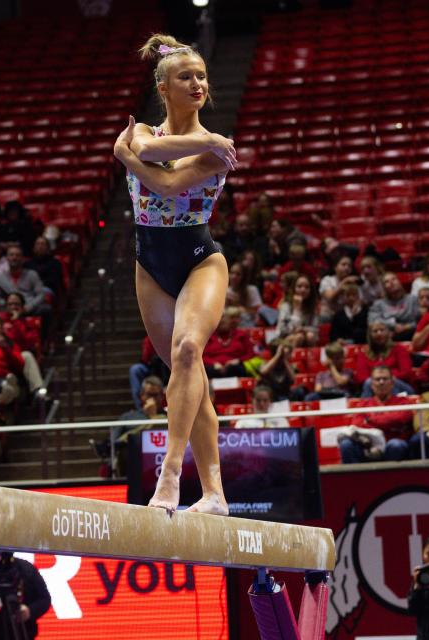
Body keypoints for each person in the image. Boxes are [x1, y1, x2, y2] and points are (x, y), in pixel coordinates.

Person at [112, 34, 236, 514]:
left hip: (199, 259)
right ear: (163, 87)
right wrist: (141, 148)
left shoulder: (216, 151)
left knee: (188, 350)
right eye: (186, 76)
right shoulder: (145, 130)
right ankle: (215, 494)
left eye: (202, 75)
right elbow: (148, 147)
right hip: (151, 266)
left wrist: (126, 157)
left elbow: (163, 184)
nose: (197, 82)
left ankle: (169, 477)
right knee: (188, 373)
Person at [337, 365, 416, 463]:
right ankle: (354, 478)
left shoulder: (404, 402)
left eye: (385, 379)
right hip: (368, 445)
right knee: (346, 444)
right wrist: (388, 424)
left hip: (392, 444)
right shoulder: (363, 404)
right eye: (377, 379)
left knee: (396, 445)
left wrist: (370, 420)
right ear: (371, 384)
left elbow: (401, 418)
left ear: (392, 383)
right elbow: (357, 425)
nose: (381, 382)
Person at [354, 322, 415, 396]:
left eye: (382, 330)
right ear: (370, 335)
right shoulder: (363, 353)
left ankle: (392, 405)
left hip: (400, 385)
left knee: (389, 382)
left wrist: (386, 378)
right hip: (372, 386)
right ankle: (367, 406)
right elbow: (361, 377)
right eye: (375, 331)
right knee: (369, 382)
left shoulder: (399, 349)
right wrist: (378, 380)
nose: (379, 333)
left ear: (388, 333)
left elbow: (406, 372)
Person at [0, 245, 50, 317]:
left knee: (46, 309)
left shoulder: (32, 274)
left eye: (17, 255)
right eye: (11, 255)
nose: (14, 258)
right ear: (7, 258)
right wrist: (7, 305)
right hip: (9, 307)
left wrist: (29, 307)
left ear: (22, 258)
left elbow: (41, 294)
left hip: (28, 307)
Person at [368, 272, 419, 342]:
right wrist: (393, 325)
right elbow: (372, 321)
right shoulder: (378, 304)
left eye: (394, 279)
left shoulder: (412, 299)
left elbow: (419, 321)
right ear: (384, 287)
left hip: (411, 334)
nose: (391, 283)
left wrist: (406, 327)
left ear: (399, 282)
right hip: (387, 336)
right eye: (387, 282)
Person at [204, 307, 254, 378]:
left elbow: (251, 354)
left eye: (224, 317)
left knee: (235, 368)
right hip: (214, 369)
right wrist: (213, 363)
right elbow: (203, 356)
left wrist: (238, 360)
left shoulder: (242, 334)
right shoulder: (208, 337)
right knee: (209, 370)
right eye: (219, 318)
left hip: (235, 368)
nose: (222, 320)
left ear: (230, 320)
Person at [276, 273, 319, 347]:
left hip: (305, 336)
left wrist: (303, 329)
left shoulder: (312, 307)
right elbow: (282, 330)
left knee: (310, 336)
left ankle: (308, 357)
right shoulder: (286, 306)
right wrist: (297, 310)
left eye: (307, 287)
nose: (303, 290)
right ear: (294, 289)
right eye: (299, 286)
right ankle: (290, 358)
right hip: (283, 338)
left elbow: (315, 329)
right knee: (299, 337)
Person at [226, 261, 262, 327]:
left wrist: (239, 306)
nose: (234, 276)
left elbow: (259, 312)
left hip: (250, 325)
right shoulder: (225, 291)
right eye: (232, 273)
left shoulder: (252, 290)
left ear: (244, 277)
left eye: (238, 274)